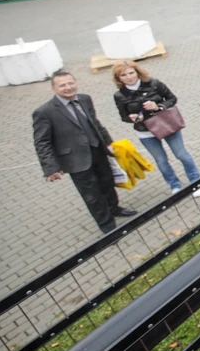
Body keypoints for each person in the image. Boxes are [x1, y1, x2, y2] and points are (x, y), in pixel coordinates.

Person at [33, 71, 137, 234]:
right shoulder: (44, 112)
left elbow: (95, 123)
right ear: (53, 88)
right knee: (92, 195)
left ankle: (114, 208)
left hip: (97, 150)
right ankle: (107, 227)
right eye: (62, 85)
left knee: (107, 183)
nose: (68, 87)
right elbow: (42, 142)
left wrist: (109, 143)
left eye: (70, 83)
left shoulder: (84, 99)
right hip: (76, 160)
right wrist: (50, 168)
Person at [112, 61, 200, 197]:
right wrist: (133, 118)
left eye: (131, 73)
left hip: (166, 125)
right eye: (123, 75)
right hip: (145, 132)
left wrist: (158, 106)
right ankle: (175, 185)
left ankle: (195, 181)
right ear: (119, 78)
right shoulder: (119, 95)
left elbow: (172, 99)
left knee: (181, 155)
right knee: (161, 161)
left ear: (137, 72)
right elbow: (124, 116)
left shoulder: (154, 84)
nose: (129, 77)